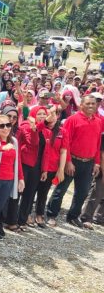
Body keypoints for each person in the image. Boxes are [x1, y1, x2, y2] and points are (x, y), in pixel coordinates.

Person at [46, 94, 102, 228]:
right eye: (88, 103)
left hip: (88, 162)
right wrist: (68, 162)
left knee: (82, 192)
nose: (90, 106)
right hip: (72, 160)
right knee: (61, 189)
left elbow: (98, 143)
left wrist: (97, 162)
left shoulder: (99, 121)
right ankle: (51, 214)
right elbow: (66, 142)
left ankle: (73, 216)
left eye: (93, 104)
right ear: (81, 104)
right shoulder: (72, 119)